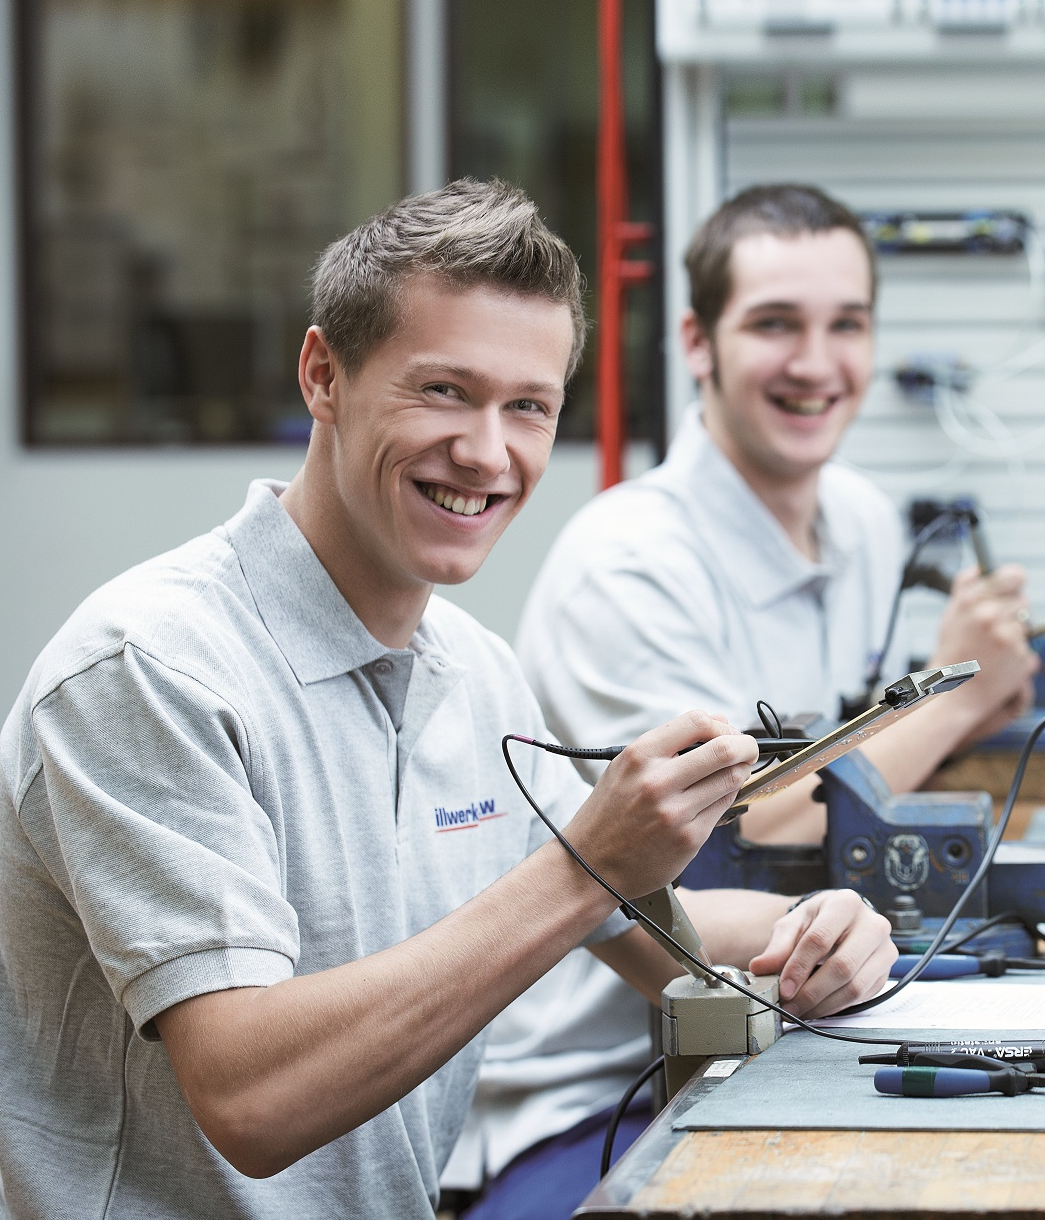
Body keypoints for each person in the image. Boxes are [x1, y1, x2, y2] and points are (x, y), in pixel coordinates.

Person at [0, 179, 891, 1220]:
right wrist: (587, 861)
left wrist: (816, 930)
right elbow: (249, 1098)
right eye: (442, 391)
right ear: (323, 374)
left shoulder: (473, 673)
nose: (487, 452)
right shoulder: (149, 666)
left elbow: (649, 937)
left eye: (528, 407)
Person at [442, 185, 1039, 1213]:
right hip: (602, 1089)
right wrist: (955, 700)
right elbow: (746, 815)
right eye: (774, 324)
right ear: (698, 341)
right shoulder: (626, 565)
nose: (815, 364)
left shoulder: (859, 521)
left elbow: (842, 761)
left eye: (844, 324)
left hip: (796, 1028)